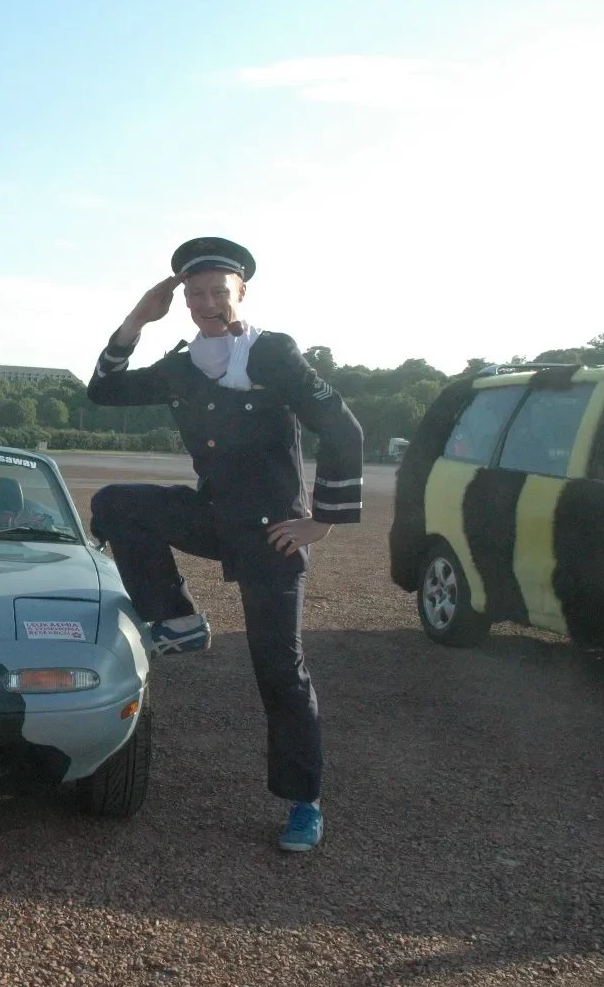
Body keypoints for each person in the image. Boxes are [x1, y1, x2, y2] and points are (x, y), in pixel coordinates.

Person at [86, 237, 361, 851]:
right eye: (196, 294)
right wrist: (136, 319)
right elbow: (103, 391)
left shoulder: (275, 355)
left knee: (280, 671)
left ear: (241, 293)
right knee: (114, 504)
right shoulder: (183, 365)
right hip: (213, 515)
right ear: (182, 300)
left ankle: (303, 802)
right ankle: (176, 619)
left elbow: (342, 427)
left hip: (273, 534)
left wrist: (321, 520)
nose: (208, 303)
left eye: (219, 292)